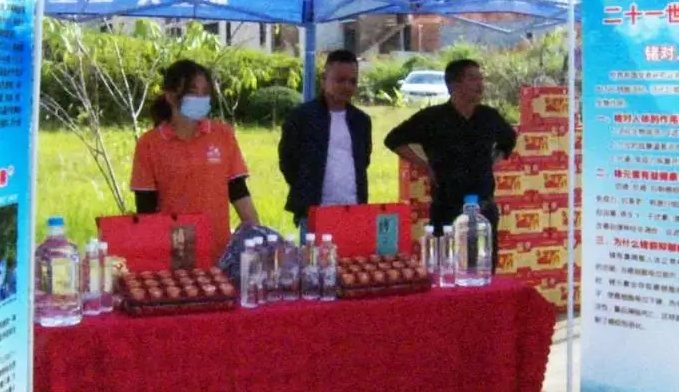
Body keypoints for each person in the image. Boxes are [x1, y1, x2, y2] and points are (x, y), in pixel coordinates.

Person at [385, 59, 516, 268]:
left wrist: (493, 161)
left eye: (481, 78)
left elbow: (508, 139)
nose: (480, 84)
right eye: (473, 78)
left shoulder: (489, 117)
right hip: (447, 207)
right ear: (454, 84)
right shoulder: (433, 118)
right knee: (445, 269)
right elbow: (393, 140)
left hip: (483, 208)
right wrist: (424, 165)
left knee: (483, 270)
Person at [131, 60, 259, 264]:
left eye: (205, 93)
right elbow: (146, 209)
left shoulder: (222, 135)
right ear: (170, 96)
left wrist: (258, 237)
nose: (200, 98)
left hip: (220, 250)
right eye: (193, 92)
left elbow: (239, 191)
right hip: (175, 251)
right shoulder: (149, 144)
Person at [279, 50, 372, 227]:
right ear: (324, 80)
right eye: (340, 80)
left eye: (352, 81)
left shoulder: (362, 121)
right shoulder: (301, 117)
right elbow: (288, 162)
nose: (347, 86)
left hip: (354, 209)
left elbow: (364, 160)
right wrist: (306, 186)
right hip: (314, 211)